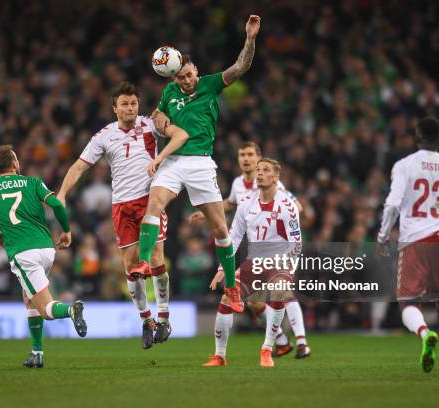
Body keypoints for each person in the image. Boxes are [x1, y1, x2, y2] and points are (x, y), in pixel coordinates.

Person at [130, 15, 263, 313]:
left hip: (201, 163)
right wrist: (161, 121)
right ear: (173, 78)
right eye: (181, 78)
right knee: (155, 205)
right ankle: (142, 261)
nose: (187, 81)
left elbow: (241, 67)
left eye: (190, 75)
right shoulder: (170, 93)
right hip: (174, 161)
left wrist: (250, 39)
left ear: (196, 72)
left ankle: (231, 287)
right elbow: (156, 114)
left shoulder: (211, 84)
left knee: (220, 229)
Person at [57, 82, 189, 349]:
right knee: (130, 268)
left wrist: (163, 153)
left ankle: (164, 315)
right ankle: (147, 320)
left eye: (134, 103)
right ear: (114, 108)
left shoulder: (151, 124)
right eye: (125, 104)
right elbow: (79, 168)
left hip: (150, 201)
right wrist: (61, 194)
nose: (130, 108)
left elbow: (178, 132)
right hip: (122, 207)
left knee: (154, 258)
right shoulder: (103, 136)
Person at [0, 145, 87, 368]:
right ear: (14, 163)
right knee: (29, 297)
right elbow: (55, 204)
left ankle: (71, 310)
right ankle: (37, 353)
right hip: (46, 249)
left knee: (45, 307)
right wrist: (67, 230)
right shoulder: (33, 182)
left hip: (23, 254)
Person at [377, 117, 439, 381]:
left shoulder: (405, 165)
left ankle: (424, 333)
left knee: (408, 303)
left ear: (416, 138)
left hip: (414, 240)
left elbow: (392, 204)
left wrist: (383, 235)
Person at [190, 141, 310, 357]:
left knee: (282, 292)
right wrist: (207, 213)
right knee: (254, 303)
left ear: (258, 158)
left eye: (250, 155)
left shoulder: (276, 189)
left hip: (279, 254)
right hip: (254, 251)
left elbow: (295, 209)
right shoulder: (238, 185)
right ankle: (282, 341)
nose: (245, 159)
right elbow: (230, 207)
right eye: (241, 155)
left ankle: (301, 341)